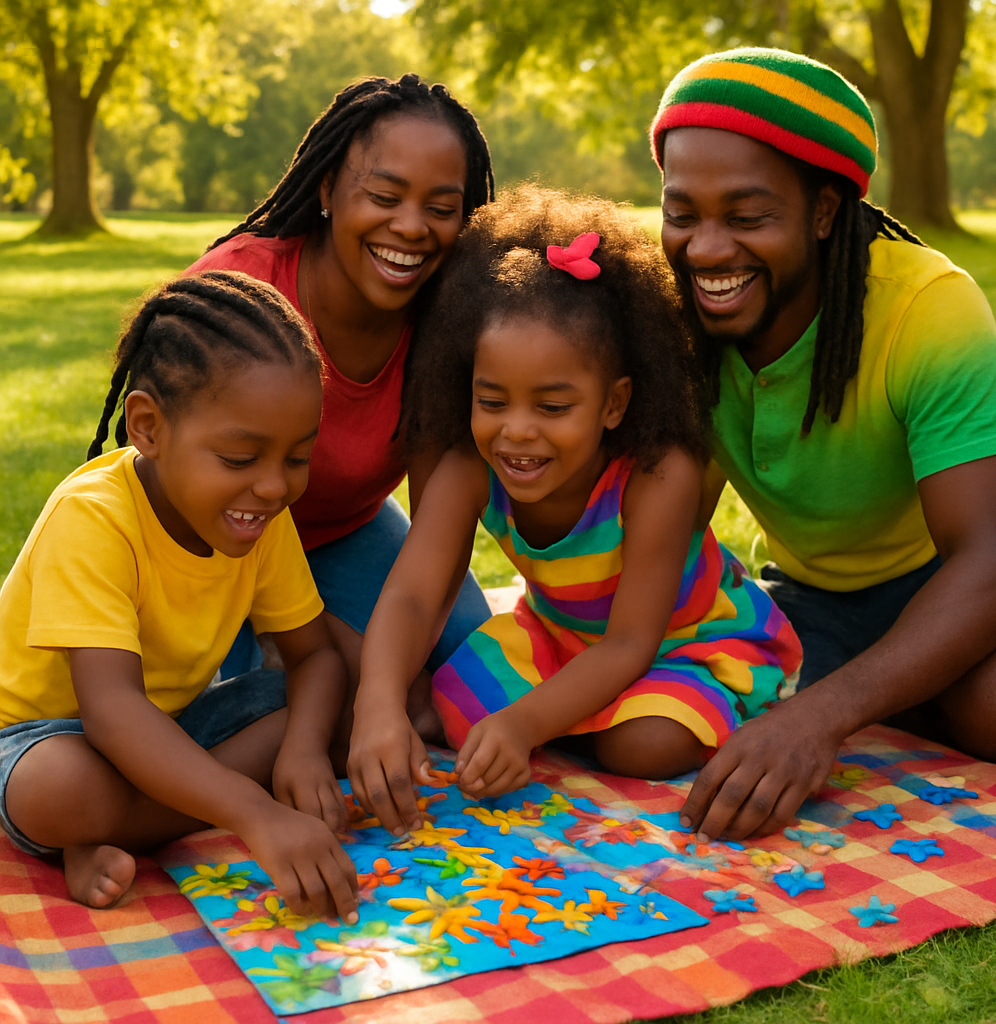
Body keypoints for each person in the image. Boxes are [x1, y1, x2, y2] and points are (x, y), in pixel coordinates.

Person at [650, 47, 996, 842]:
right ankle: (916, 689)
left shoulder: (929, 309)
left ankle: (923, 683)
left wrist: (823, 714)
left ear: (823, 212)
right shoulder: (677, 318)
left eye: (747, 217)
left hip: (954, 585)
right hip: (812, 605)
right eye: (682, 213)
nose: (708, 249)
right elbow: (669, 518)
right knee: (673, 717)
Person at [345, 186, 803, 835]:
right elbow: (415, 595)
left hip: (686, 644)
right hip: (557, 639)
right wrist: (378, 705)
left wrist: (524, 724)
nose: (518, 433)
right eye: (492, 400)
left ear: (614, 404)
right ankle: (574, 718)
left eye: (553, 408)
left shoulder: (655, 474)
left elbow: (629, 642)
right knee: (441, 712)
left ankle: (648, 715)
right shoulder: (468, 465)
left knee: (641, 747)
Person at [0, 272, 358, 919]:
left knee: (334, 707)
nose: (275, 487)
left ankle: (115, 829)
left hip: (169, 729)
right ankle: (93, 825)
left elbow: (315, 657)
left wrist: (303, 750)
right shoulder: (93, 517)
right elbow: (111, 713)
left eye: (296, 458)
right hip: (46, 736)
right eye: (241, 457)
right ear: (148, 427)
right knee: (55, 792)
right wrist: (256, 811)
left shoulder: (260, 511)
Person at [185, 74, 496, 729]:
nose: (411, 228)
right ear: (328, 190)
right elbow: (170, 494)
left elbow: (440, 534)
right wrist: (346, 660)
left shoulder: (448, 324)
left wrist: (388, 673)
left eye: (441, 208)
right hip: (217, 543)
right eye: (384, 196)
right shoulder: (239, 293)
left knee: (473, 669)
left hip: (341, 531)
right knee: (266, 711)